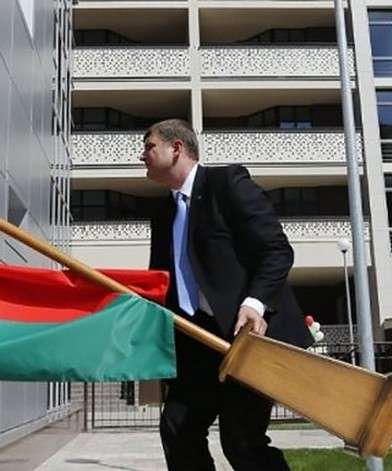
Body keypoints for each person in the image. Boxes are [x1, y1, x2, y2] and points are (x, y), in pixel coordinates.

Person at [141, 119, 313, 471]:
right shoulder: (163, 213)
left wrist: (255, 303)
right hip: (196, 342)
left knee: (241, 441)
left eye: (149, 147)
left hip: (247, 337)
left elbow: (277, 251)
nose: (142, 156)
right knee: (178, 428)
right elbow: (166, 281)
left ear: (176, 148)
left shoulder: (227, 184)